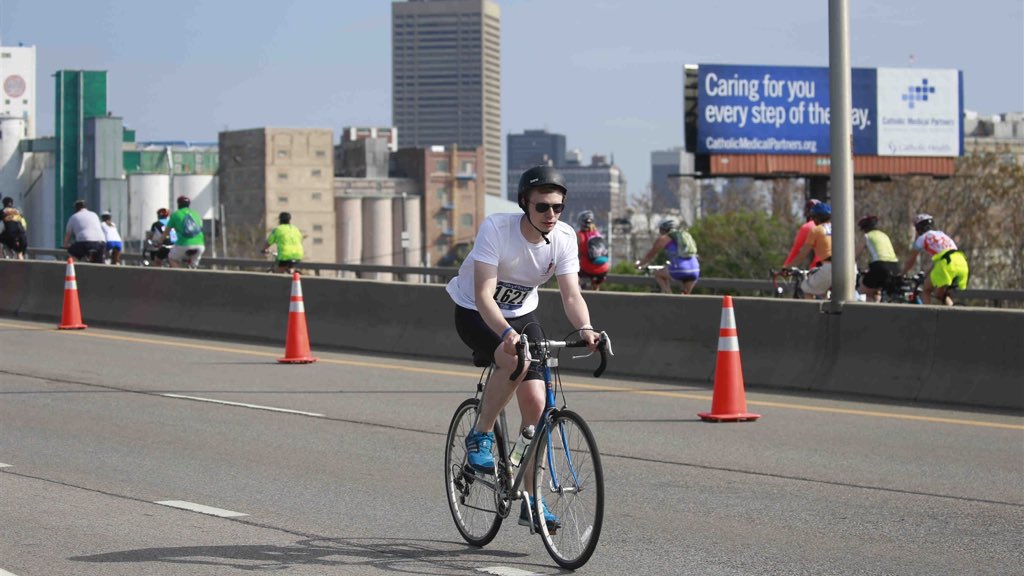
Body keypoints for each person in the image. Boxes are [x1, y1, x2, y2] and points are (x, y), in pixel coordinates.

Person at [447, 165, 599, 532]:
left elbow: (571, 293)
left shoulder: (562, 237)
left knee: (537, 408)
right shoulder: (497, 230)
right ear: (524, 204)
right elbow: (484, 295)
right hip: (475, 312)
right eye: (542, 207)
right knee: (514, 357)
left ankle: (532, 500)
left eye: (558, 208)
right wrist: (505, 334)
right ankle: (479, 434)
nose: (551, 215)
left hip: (522, 313)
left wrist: (587, 327)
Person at [902, 213, 968, 306]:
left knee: (926, 290)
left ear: (919, 228)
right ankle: (954, 314)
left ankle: (928, 316)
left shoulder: (922, 238)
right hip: (961, 261)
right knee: (940, 295)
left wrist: (902, 274)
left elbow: (910, 261)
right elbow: (941, 258)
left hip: (947, 263)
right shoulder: (941, 234)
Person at [635, 218, 700, 294]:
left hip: (680, 269)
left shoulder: (664, 238)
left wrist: (638, 265)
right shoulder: (684, 237)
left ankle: (669, 296)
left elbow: (649, 256)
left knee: (658, 274)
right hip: (695, 269)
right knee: (684, 297)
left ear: (662, 229)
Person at [789, 202, 832, 298]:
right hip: (850, 267)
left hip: (830, 267)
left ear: (816, 217)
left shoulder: (816, 230)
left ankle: (812, 313)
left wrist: (788, 267)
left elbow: (803, 253)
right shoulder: (839, 228)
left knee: (806, 288)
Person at [855, 214, 900, 302]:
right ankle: (878, 309)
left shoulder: (867, 236)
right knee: (876, 291)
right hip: (895, 266)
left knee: (860, 291)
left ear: (864, 228)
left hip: (880, 266)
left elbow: (855, 255)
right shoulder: (884, 235)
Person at [160, 196, 205, 268]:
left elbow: (166, 232)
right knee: (193, 266)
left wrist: (160, 242)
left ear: (178, 204)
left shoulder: (175, 215)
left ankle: (180, 275)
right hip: (200, 245)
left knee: (172, 258)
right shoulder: (196, 214)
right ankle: (193, 273)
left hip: (184, 244)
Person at [783, 198, 825, 269]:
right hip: (844, 265)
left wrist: (785, 267)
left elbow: (797, 250)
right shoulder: (830, 226)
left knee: (809, 279)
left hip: (824, 268)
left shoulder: (809, 227)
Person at [576, 210, 610, 290]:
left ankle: (581, 291)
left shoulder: (580, 235)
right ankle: (595, 293)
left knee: (572, 273)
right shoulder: (598, 233)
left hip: (586, 269)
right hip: (603, 269)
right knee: (596, 286)